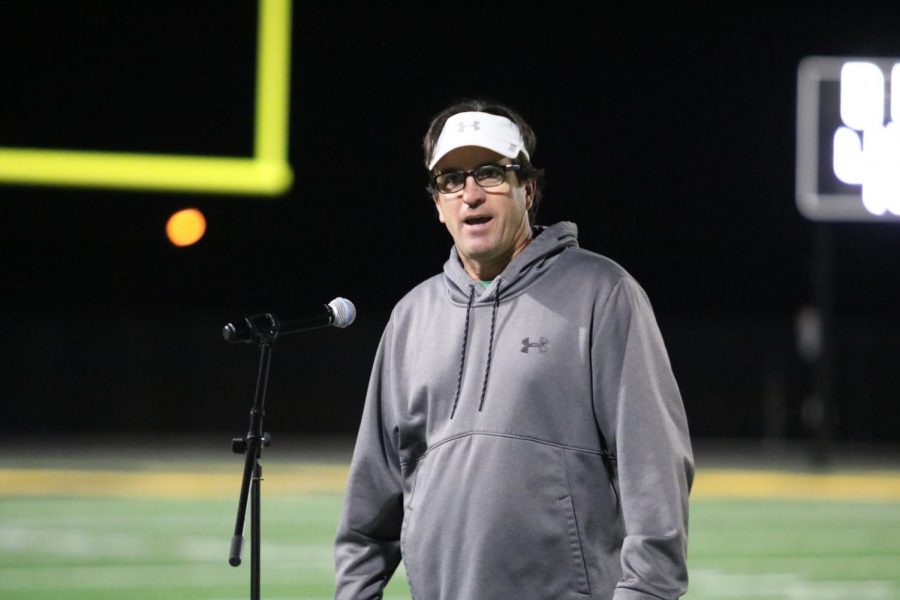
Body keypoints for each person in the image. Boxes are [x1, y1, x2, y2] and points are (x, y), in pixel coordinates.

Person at [334, 98, 693, 599]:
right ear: (437, 204)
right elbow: (369, 506)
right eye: (451, 179)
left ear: (529, 188)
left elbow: (654, 470)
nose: (471, 195)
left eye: (490, 173)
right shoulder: (411, 317)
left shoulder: (602, 293)